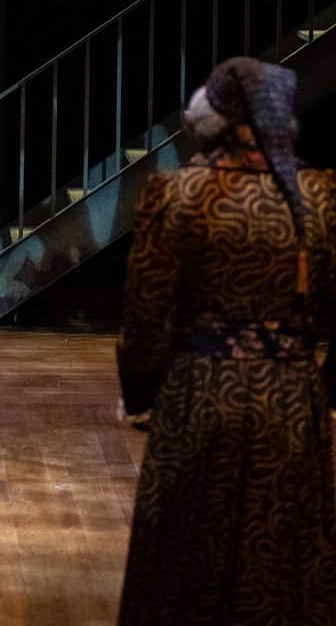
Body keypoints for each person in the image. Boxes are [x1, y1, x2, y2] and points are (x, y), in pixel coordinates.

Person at [116, 57, 336, 626]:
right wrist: (322, 390)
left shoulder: (178, 193)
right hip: (290, 401)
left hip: (199, 398)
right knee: (279, 553)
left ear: (210, 120)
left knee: (186, 556)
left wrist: (142, 394)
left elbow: (144, 317)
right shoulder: (322, 200)